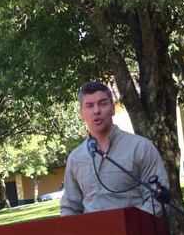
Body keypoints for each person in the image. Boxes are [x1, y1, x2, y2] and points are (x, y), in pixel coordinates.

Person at [60, 81, 170, 218]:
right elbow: (70, 207)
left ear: (112, 109)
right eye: (89, 106)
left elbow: (157, 199)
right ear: (81, 113)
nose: (96, 111)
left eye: (102, 103)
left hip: (135, 234)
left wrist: (129, 226)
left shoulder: (141, 148)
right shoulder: (75, 158)